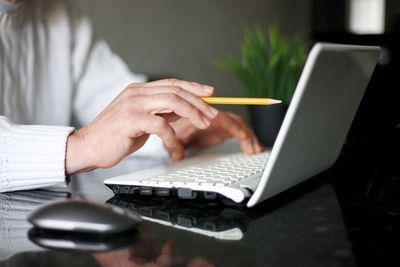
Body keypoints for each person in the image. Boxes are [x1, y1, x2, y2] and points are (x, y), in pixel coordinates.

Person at [0, 0, 262, 192]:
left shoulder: (59, 13)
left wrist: (171, 129)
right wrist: (81, 146)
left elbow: (108, 102)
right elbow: (96, 139)